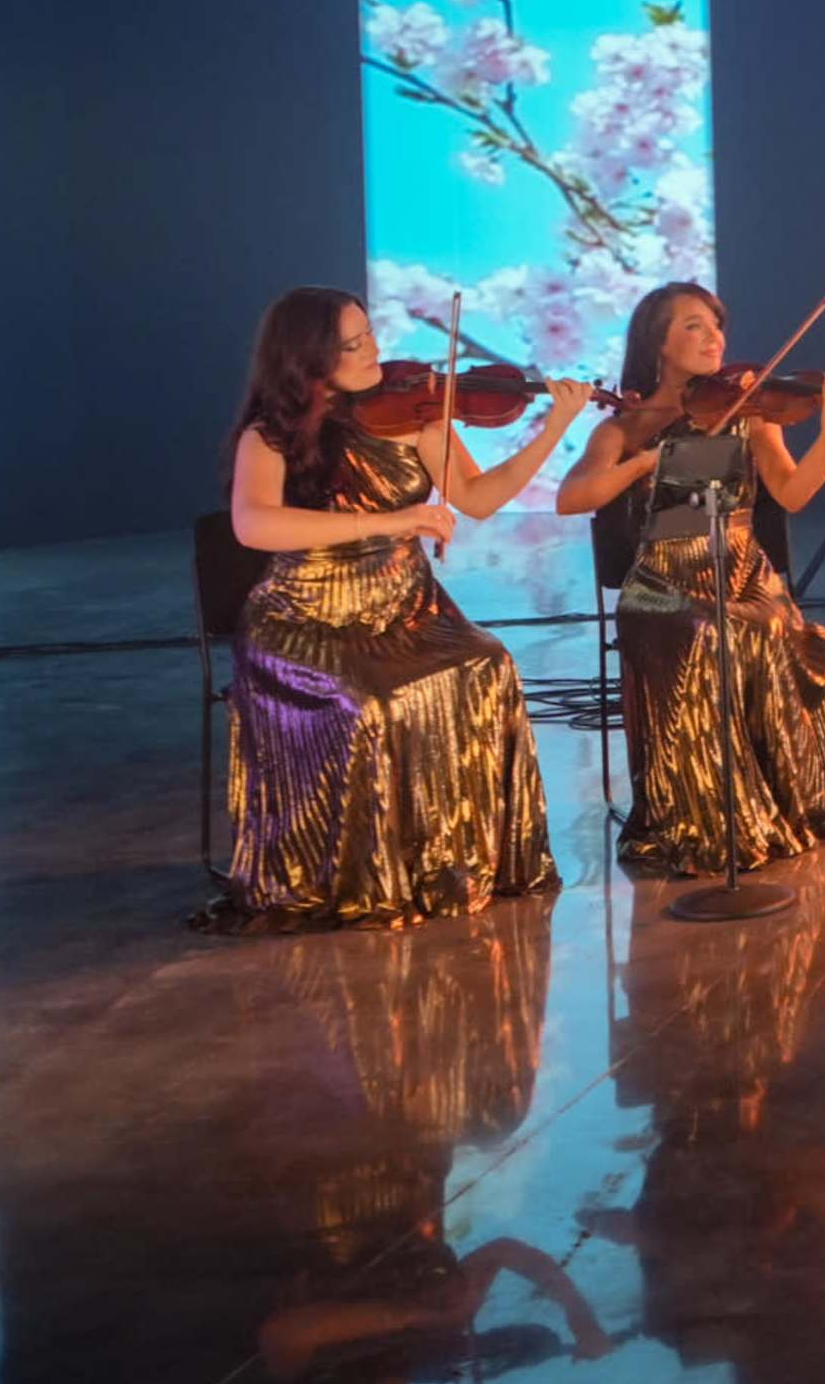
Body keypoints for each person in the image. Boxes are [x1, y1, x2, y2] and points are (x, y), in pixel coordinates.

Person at [210, 287, 585, 926]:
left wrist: (554, 429)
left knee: (488, 665)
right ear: (306, 358)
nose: (374, 352)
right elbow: (254, 525)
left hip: (407, 608)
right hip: (306, 617)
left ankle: (450, 860)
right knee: (371, 702)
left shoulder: (413, 414)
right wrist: (392, 520)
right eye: (351, 345)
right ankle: (370, 874)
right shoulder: (269, 436)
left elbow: (478, 498)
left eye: (370, 335)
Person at [553, 282, 825, 875]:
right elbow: (571, 498)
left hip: (744, 571)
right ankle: (710, 812)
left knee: (777, 631)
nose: (713, 338)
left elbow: (793, 494)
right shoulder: (624, 427)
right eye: (693, 326)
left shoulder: (751, 416)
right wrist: (643, 463)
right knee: (710, 634)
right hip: (664, 580)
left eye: (716, 325)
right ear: (658, 343)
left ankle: (779, 797)